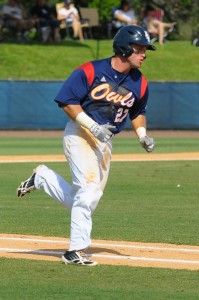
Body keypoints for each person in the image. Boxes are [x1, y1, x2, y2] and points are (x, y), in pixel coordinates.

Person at [17, 25, 155, 267]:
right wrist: (92, 127)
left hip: (105, 141)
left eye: (145, 49)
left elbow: (138, 112)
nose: (144, 54)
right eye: (140, 49)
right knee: (89, 189)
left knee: (87, 198)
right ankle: (75, 250)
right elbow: (66, 101)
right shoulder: (90, 70)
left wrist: (142, 135)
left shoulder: (139, 82)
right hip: (80, 133)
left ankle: (42, 178)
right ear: (124, 48)